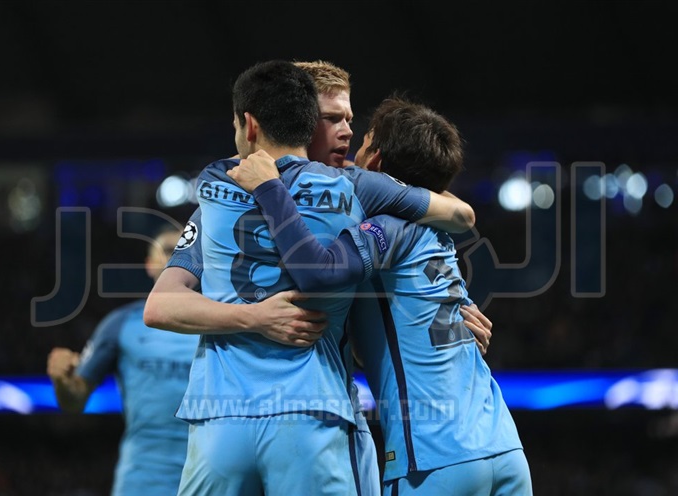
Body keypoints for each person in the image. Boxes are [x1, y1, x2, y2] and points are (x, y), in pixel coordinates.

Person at [143, 60, 478, 496]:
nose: (347, 132)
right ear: (301, 119)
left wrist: (447, 310)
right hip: (315, 412)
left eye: (350, 120)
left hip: (220, 417)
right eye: (332, 119)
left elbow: (161, 305)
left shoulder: (218, 190)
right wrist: (258, 318)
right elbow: (460, 214)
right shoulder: (356, 188)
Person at [228, 96, 532, 495]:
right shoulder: (440, 234)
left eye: (365, 140)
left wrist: (270, 188)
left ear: (375, 162)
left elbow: (319, 271)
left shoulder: (386, 227)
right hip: (504, 448)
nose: (351, 144)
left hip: (434, 457)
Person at [46, 226, 197, 496]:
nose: (177, 257)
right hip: (142, 481)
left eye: (186, 250)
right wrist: (61, 380)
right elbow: (75, 400)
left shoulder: (226, 324)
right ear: (149, 265)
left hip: (211, 479)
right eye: (167, 250)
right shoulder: (121, 323)